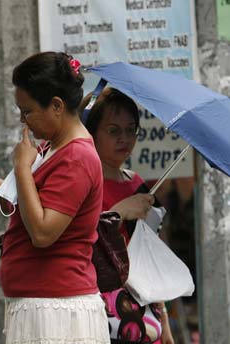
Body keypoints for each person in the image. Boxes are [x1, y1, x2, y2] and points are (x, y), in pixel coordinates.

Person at [0, 52, 110, 344]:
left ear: (56, 105)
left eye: (27, 110)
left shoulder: (77, 157)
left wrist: (22, 166)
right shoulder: (50, 147)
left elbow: (44, 232)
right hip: (40, 304)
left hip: (58, 308)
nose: (22, 119)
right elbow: (13, 203)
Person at [79, 87, 175, 344]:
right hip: (99, 309)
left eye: (130, 129)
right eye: (113, 131)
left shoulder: (139, 184)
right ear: (93, 133)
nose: (124, 138)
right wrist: (119, 212)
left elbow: (150, 254)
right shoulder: (85, 182)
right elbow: (79, 238)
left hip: (144, 309)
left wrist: (163, 317)